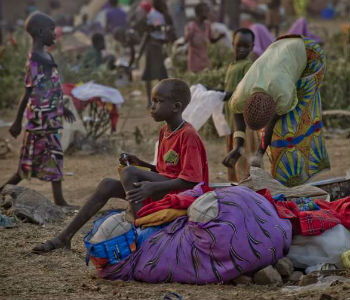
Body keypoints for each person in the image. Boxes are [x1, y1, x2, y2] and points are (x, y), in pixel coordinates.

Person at [32, 78, 209, 253]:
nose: (152, 106)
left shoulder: (188, 135)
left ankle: (141, 225)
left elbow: (191, 182)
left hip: (182, 194)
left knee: (130, 173)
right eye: (152, 101)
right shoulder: (165, 131)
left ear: (176, 107)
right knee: (107, 185)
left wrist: (152, 187)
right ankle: (64, 237)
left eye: (158, 101)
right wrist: (141, 163)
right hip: (163, 188)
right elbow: (166, 171)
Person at [226, 34, 330, 187]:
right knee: (279, 132)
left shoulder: (282, 94)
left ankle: (291, 180)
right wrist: (239, 145)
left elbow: (272, 123)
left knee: (287, 128)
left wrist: (259, 153)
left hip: (310, 55)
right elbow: (237, 114)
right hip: (281, 47)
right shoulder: (241, 93)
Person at [0, 12, 75, 205]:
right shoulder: (34, 60)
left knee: (34, 164)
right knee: (31, 165)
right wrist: (17, 122)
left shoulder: (46, 56)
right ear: (41, 32)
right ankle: (59, 201)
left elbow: (51, 87)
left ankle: (59, 200)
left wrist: (62, 107)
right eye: (51, 30)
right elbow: (28, 93)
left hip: (49, 119)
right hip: (39, 121)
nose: (54, 34)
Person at [222, 28, 257, 182]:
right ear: (233, 44)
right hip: (231, 120)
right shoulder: (232, 65)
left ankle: (248, 189)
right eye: (238, 45)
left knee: (244, 157)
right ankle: (233, 188)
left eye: (246, 46)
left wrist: (227, 94)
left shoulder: (248, 66)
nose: (242, 49)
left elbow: (245, 91)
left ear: (252, 47)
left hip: (244, 122)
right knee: (231, 158)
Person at [138, 0, 174, 107]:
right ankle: (156, 101)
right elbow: (152, 31)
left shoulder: (158, 14)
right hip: (155, 47)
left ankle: (154, 100)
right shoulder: (155, 15)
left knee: (156, 75)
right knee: (158, 75)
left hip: (156, 46)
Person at [185, 2, 225, 73]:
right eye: (206, 11)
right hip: (194, 58)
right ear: (199, 12)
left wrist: (219, 37)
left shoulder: (207, 25)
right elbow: (186, 40)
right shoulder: (192, 26)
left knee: (206, 74)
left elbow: (211, 40)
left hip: (204, 58)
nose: (208, 13)